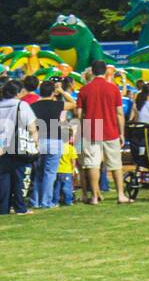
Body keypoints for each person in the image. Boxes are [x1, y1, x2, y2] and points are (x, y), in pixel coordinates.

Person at [75, 60, 130, 205]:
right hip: (110, 128)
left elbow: (79, 114)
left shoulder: (84, 90)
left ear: (92, 71)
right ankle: (120, 195)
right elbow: (119, 113)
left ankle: (94, 196)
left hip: (92, 128)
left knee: (93, 164)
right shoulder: (113, 89)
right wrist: (122, 133)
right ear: (105, 71)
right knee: (115, 164)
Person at [0, 81, 40, 215]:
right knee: (20, 178)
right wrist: (35, 142)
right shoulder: (22, 105)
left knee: (4, 179)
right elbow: (31, 127)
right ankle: (20, 207)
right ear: (18, 93)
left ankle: (3, 208)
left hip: (2, 147)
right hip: (19, 146)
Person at [31, 81, 67, 208]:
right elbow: (75, 104)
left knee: (38, 174)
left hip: (39, 141)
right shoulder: (57, 105)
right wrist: (62, 91)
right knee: (50, 174)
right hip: (54, 140)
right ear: (53, 92)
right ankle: (46, 202)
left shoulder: (33, 106)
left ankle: (35, 201)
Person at [55, 133, 77, 206]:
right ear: (69, 138)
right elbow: (73, 160)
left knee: (57, 187)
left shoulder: (57, 147)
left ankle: (55, 201)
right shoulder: (71, 148)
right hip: (67, 171)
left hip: (58, 170)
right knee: (67, 187)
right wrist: (73, 169)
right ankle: (68, 201)